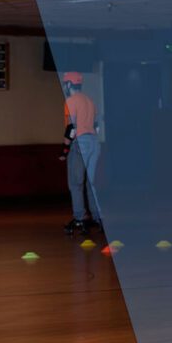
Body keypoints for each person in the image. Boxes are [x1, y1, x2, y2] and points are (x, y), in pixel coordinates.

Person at [60, 71, 102, 236]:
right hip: (94, 143)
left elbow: (71, 128)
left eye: (65, 84)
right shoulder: (90, 101)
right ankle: (98, 218)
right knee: (91, 184)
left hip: (80, 144)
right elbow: (97, 126)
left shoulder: (70, 101)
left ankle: (79, 217)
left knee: (75, 184)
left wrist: (64, 150)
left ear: (69, 84)